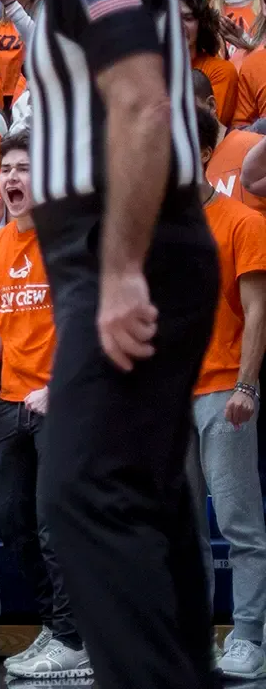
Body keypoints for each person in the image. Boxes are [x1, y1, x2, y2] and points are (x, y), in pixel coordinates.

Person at [8, 0, 220, 688]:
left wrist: (124, 268)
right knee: (146, 495)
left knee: (81, 491)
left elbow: (138, 103)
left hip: (127, 249)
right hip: (126, 250)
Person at [0, 131, 91, 680]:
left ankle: (76, 637)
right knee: (11, 519)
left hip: (62, 402)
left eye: (25, 169)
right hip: (9, 402)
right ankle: (55, 626)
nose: (13, 180)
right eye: (7, 171)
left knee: (52, 523)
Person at [188, 107, 266, 680]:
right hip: (167, 401)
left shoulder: (243, 222)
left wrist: (247, 384)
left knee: (239, 523)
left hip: (222, 388)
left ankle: (249, 636)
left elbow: (260, 311)